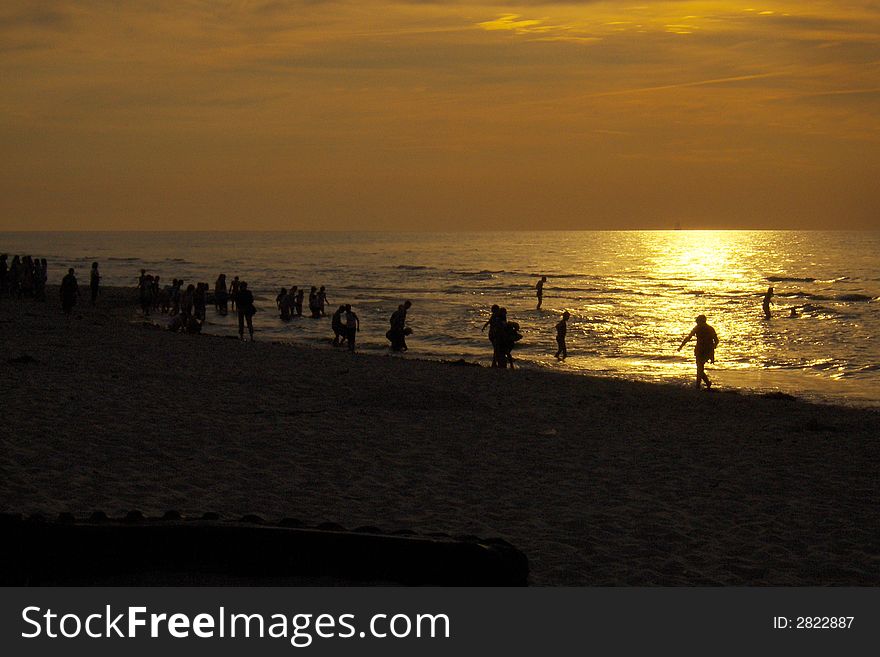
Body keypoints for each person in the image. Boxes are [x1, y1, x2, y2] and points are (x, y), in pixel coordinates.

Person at [677, 314, 719, 390]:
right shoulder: (710, 328)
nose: (697, 323)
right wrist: (712, 349)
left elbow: (688, 337)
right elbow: (716, 341)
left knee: (699, 368)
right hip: (704, 350)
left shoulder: (699, 328)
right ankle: (705, 383)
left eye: (697, 321)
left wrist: (681, 346)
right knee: (700, 368)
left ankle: (699, 386)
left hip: (702, 350)